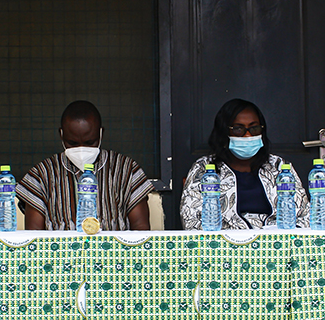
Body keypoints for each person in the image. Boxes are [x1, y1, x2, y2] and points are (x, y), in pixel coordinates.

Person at [17, 100, 152, 231]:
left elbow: (141, 229)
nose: (81, 149)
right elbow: (34, 235)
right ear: (61, 135)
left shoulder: (126, 170)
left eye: (89, 142)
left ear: (101, 134)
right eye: (73, 143)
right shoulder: (42, 175)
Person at [180, 98, 310, 230]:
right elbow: (191, 220)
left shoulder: (279, 167)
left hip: (277, 244)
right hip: (226, 245)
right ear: (224, 132)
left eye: (254, 128)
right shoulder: (204, 169)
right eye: (238, 129)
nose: (248, 135)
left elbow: (304, 215)